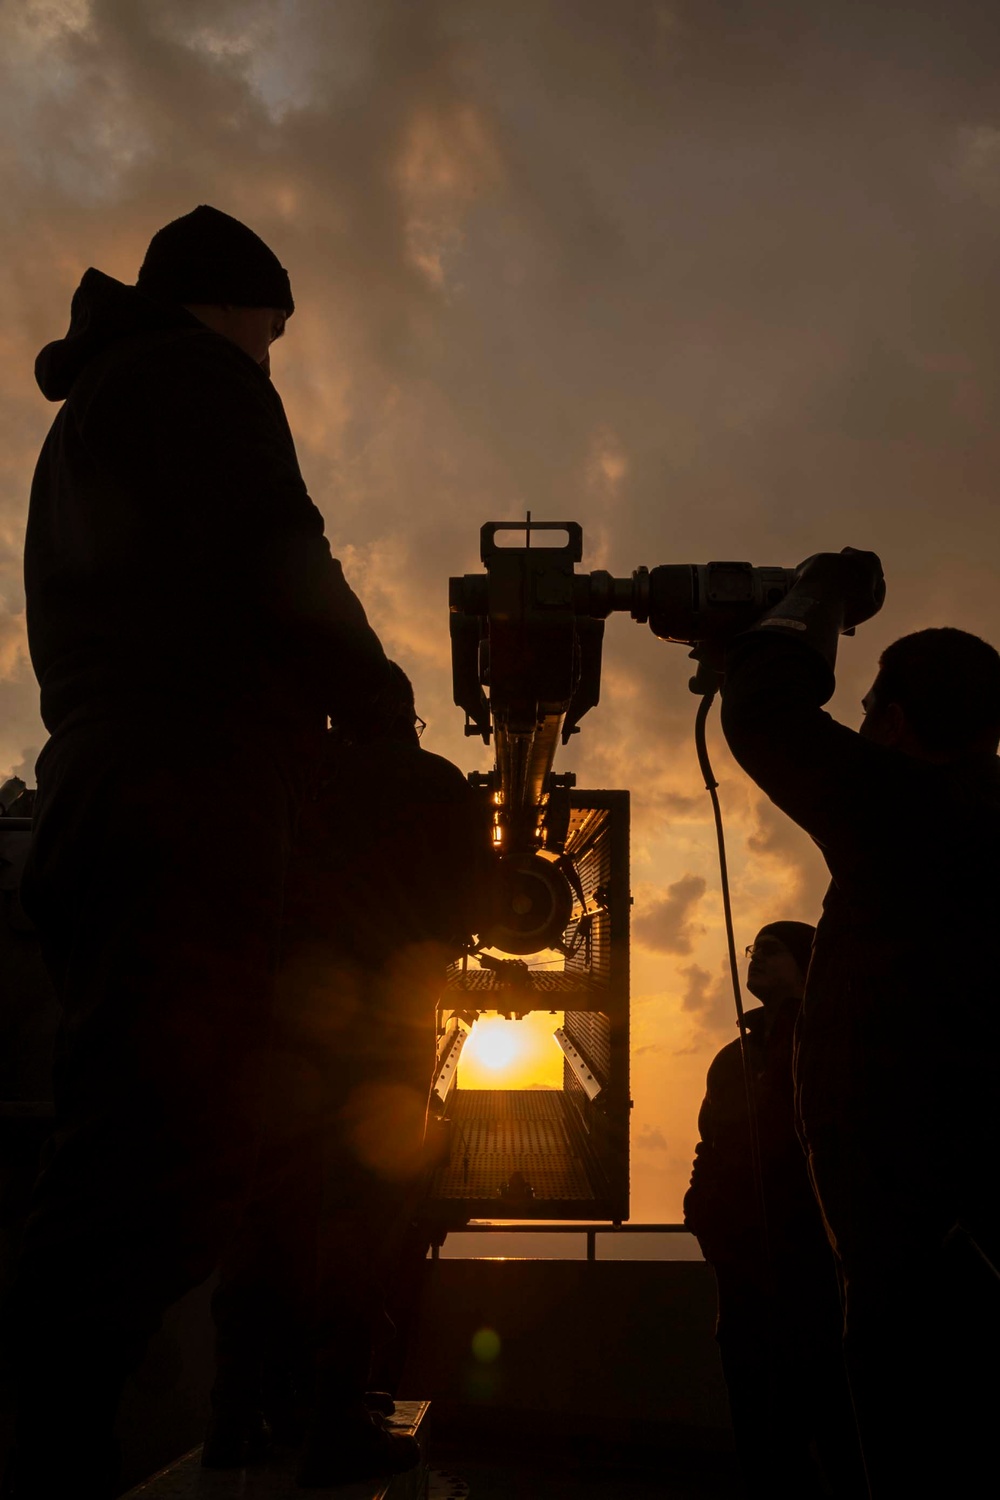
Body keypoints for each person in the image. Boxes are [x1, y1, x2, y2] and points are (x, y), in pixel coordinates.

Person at [6, 206, 397, 1499]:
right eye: (271, 330)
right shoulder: (194, 378)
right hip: (182, 795)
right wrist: (381, 713)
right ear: (232, 306)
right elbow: (283, 552)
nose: (273, 359)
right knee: (159, 1157)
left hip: (105, 787)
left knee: (130, 1141)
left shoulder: (97, 410)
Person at [719, 550, 1000, 1496]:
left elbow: (762, 714)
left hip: (924, 1241)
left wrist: (821, 594)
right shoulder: (968, 821)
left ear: (899, 724)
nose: (864, 724)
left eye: (874, 705)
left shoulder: (913, 817)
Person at [204, 665, 494, 1485]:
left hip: (284, 1030)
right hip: (384, 1028)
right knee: (359, 1224)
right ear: (408, 718)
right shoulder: (436, 785)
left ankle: (233, 1415)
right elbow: (469, 908)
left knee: (266, 1221)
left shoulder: (302, 776)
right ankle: (333, 1420)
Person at [685, 920, 863, 1498]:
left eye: (774, 949)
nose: (757, 957)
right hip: (745, 1285)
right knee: (766, 1454)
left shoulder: (831, 1043)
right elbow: (710, 1147)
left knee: (846, 1446)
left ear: (809, 965)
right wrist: (704, 1216)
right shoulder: (732, 1057)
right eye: (753, 949)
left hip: (819, 1278)